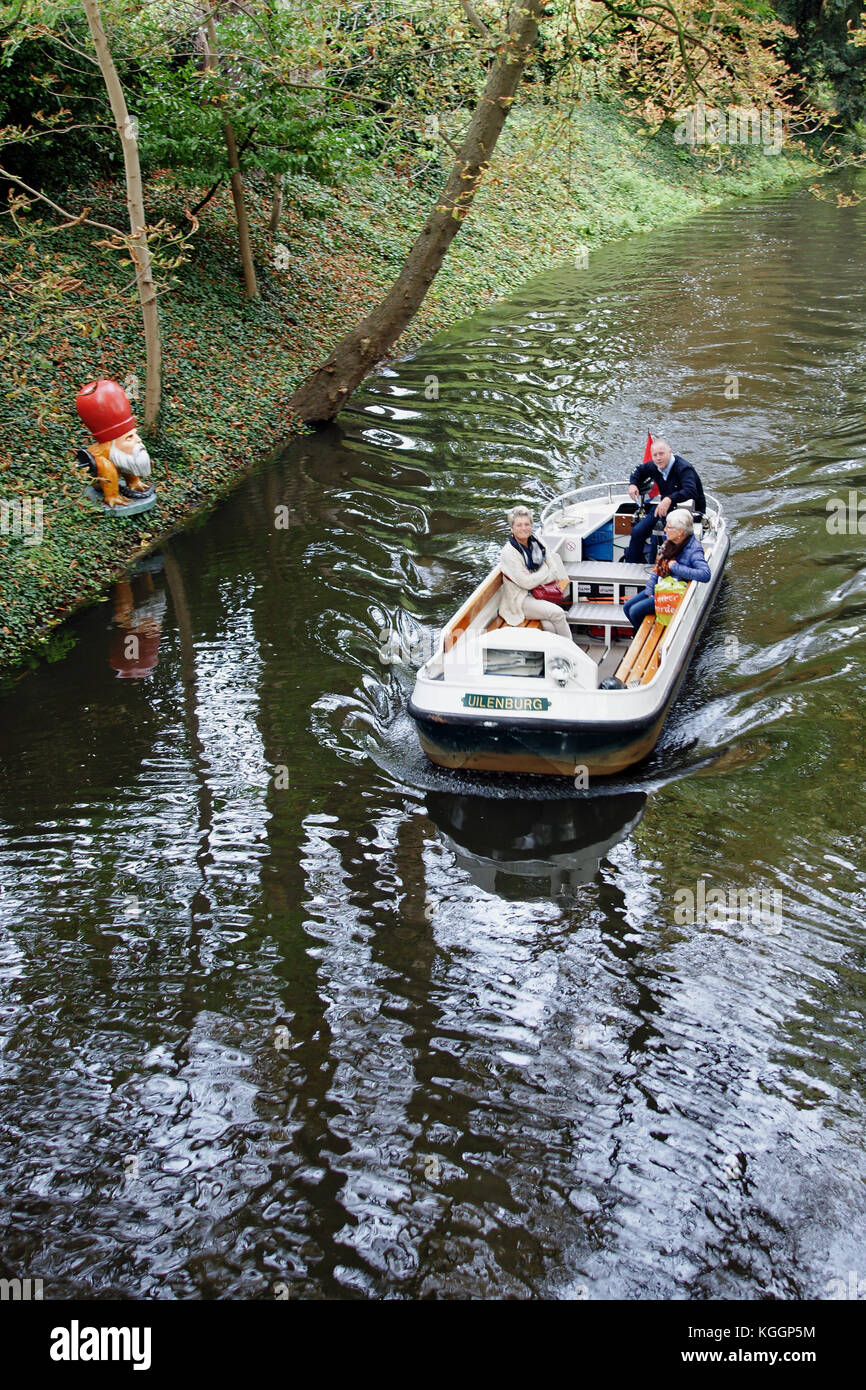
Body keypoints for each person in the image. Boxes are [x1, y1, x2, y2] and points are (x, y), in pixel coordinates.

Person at [623, 509, 710, 633]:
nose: (664, 530)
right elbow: (657, 569)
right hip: (661, 586)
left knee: (634, 611)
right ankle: (640, 632)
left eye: (668, 527)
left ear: (680, 532)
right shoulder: (669, 542)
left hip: (671, 594)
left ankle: (644, 634)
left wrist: (675, 567)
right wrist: (649, 590)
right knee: (627, 607)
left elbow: (705, 574)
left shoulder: (693, 550)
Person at [624, 438, 706, 565]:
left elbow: (691, 491)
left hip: (689, 511)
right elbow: (639, 470)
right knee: (638, 531)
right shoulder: (654, 466)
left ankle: (670, 567)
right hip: (665, 507)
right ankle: (631, 566)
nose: (658, 458)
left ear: (670, 452)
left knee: (670, 536)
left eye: (661, 454)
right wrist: (633, 484)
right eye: (655, 455)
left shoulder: (684, 468)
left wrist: (669, 499)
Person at [498, 505, 572, 640]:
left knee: (549, 626)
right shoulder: (509, 553)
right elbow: (526, 583)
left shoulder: (537, 541)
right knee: (559, 614)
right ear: (512, 528)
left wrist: (535, 577)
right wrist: (544, 569)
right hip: (521, 599)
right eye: (519, 525)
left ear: (531, 526)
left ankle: (557, 654)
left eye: (527, 524)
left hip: (540, 591)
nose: (523, 528)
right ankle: (573, 653)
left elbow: (554, 570)